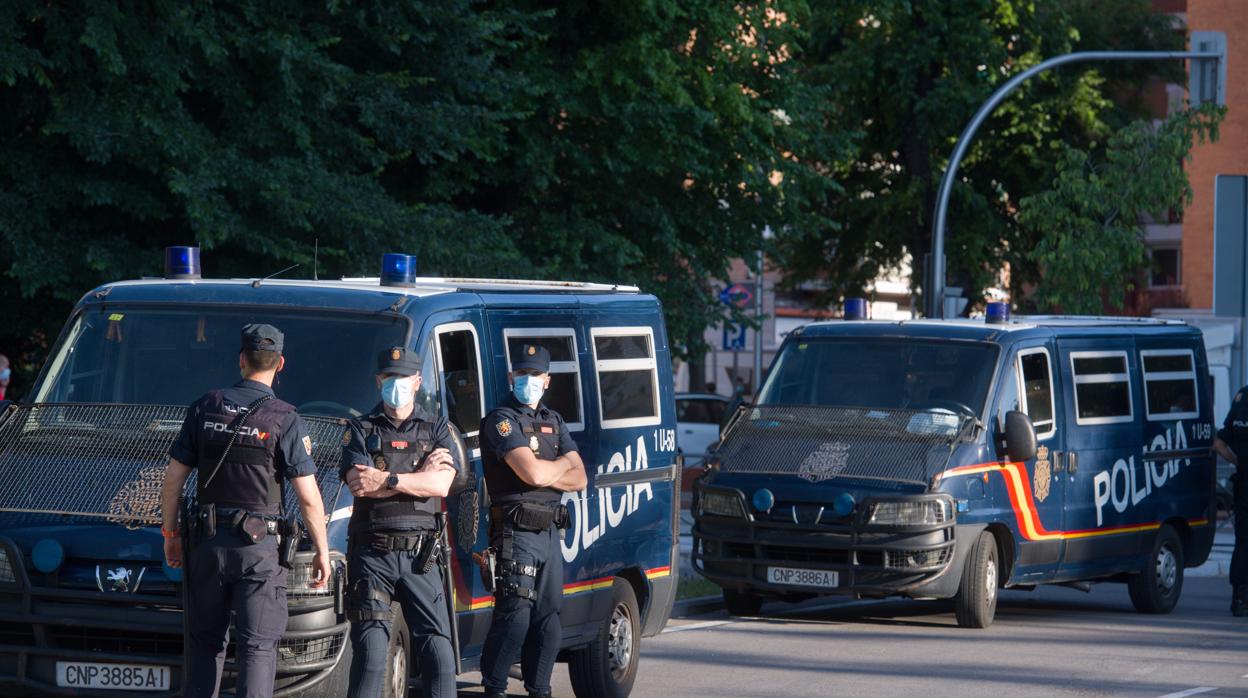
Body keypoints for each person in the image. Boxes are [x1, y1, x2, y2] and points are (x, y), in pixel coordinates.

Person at [160, 323, 332, 698]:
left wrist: (170, 534)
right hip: (258, 553)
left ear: (241, 360)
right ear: (280, 363)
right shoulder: (284, 418)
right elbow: (308, 497)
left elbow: (172, 480)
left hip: (206, 545)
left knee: (205, 645)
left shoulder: (206, 406)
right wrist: (321, 550)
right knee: (257, 648)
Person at [340, 346, 461, 698]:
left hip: (421, 556)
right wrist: (415, 476)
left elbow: (440, 485)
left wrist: (388, 479)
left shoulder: (437, 427)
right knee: (371, 655)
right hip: (372, 555)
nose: (397, 385)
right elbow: (360, 485)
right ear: (379, 381)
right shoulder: (360, 428)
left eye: (404, 379)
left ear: (418, 381)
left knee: (440, 653)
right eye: (390, 379)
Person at [479, 344, 587, 698]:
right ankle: (494, 689)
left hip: (550, 533)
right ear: (512, 377)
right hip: (516, 532)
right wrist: (557, 469)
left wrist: (545, 473)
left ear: (547, 380)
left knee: (548, 621)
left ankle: (539, 691)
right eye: (521, 374)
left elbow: (581, 477)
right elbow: (530, 472)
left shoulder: (554, 421)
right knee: (515, 617)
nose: (528, 380)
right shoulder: (502, 419)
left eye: (535, 375)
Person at [1212, 387, 1248, 617]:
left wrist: (1239, 462)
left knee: (1243, 541)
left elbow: (1218, 443)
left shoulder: (1242, 398)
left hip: (1243, 484)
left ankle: (1240, 599)